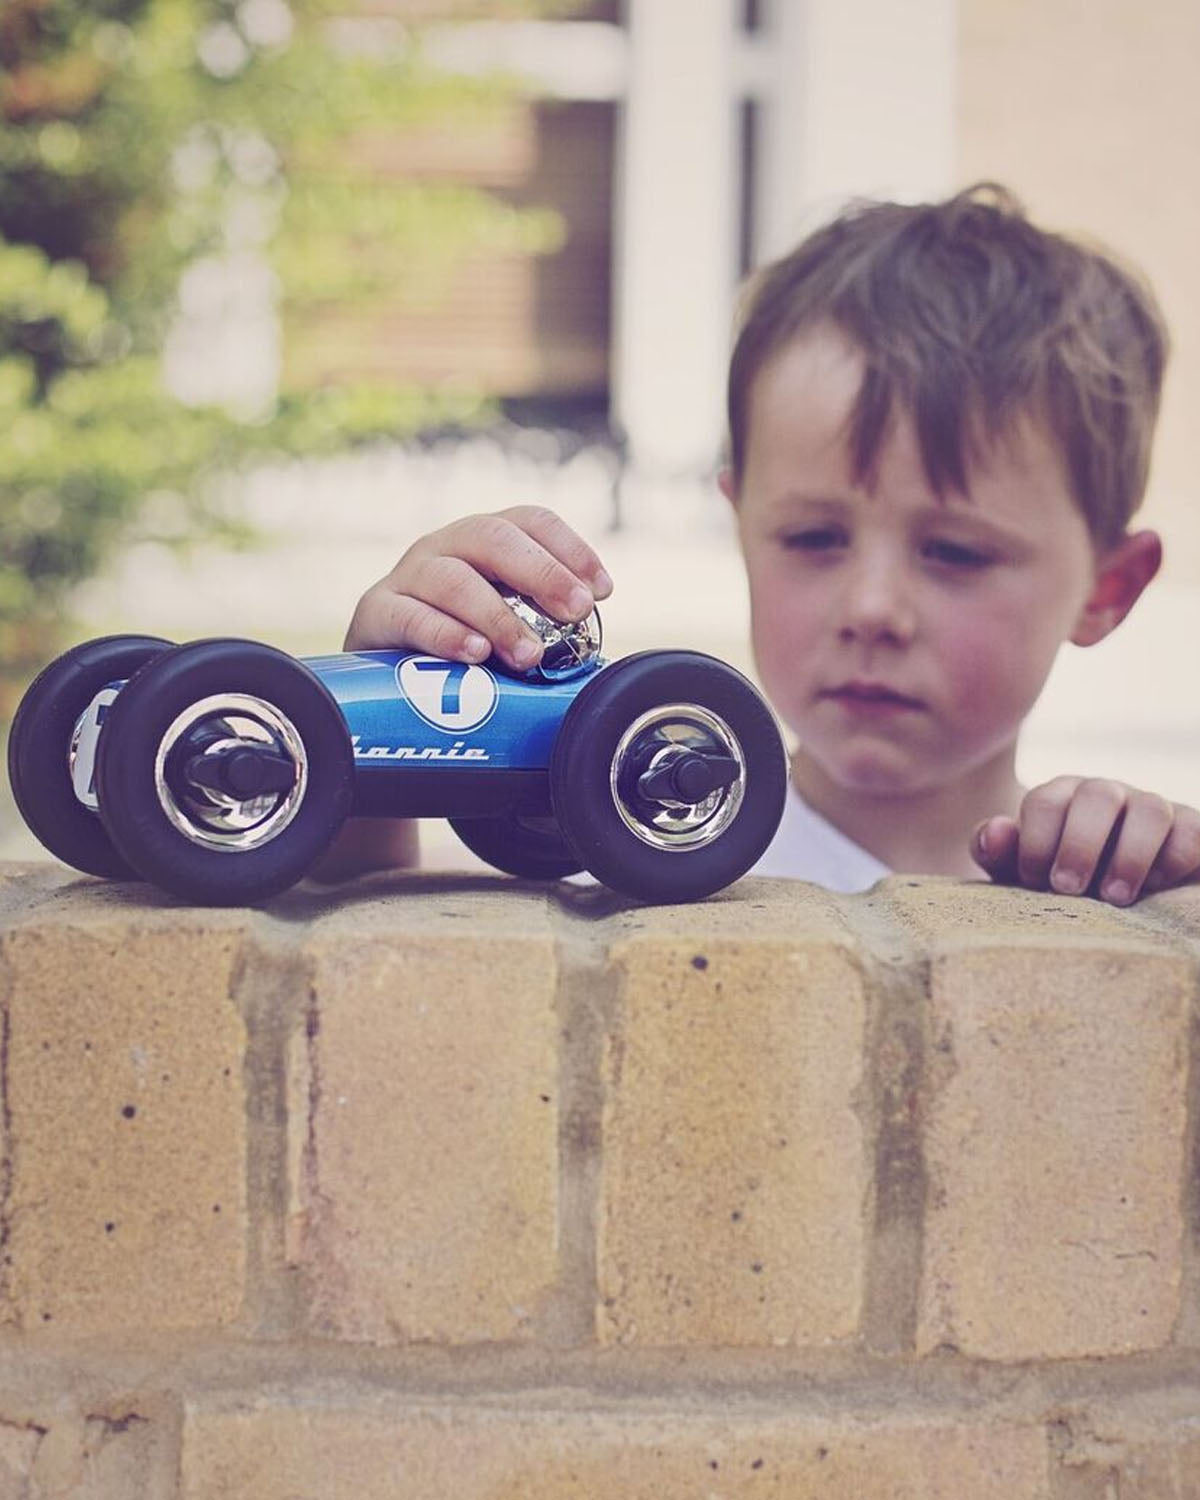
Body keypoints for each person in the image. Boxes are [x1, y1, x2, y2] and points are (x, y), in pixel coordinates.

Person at [325, 183, 1200, 903]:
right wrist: (355, 750)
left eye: (956, 553)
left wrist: (1160, 885)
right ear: (740, 524)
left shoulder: (1112, 877)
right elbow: (362, 989)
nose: (871, 609)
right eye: (814, 536)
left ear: (1108, 588)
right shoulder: (632, 855)